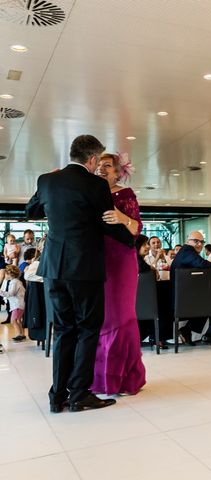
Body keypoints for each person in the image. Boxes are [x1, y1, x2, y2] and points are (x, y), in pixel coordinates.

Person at [26, 134, 133, 413]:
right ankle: (80, 394)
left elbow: (31, 211)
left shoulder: (47, 180)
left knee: (63, 330)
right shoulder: (96, 184)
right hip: (84, 268)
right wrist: (131, 238)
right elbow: (107, 222)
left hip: (54, 268)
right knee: (87, 329)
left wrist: (45, 187)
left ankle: (56, 396)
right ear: (93, 158)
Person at [91, 153, 146, 396]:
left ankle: (125, 378)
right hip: (95, 262)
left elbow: (136, 229)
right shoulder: (90, 193)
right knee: (100, 317)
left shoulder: (126, 195)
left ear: (117, 172)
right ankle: (100, 378)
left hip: (121, 261)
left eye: (107, 166)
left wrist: (121, 216)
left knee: (120, 317)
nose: (102, 169)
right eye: (99, 165)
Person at [170, 231, 211, 345]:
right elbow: (201, 263)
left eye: (202, 242)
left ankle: (188, 330)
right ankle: (210, 334)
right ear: (188, 242)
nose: (199, 244)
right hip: (185, 301)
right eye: (196, 241)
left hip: (184, 298)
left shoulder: (186, 252)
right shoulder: (187, 250)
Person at [0, 264, 26, 342]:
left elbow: (11, 293)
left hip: (17, 305)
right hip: (19, 304)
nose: (4, 275)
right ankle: (22, 334)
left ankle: (19, 335)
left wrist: (1, 292)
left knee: (13, 320)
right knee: (18, 320)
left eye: (5, 273)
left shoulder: (14, 282)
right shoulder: (16, 281)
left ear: (10, 274)